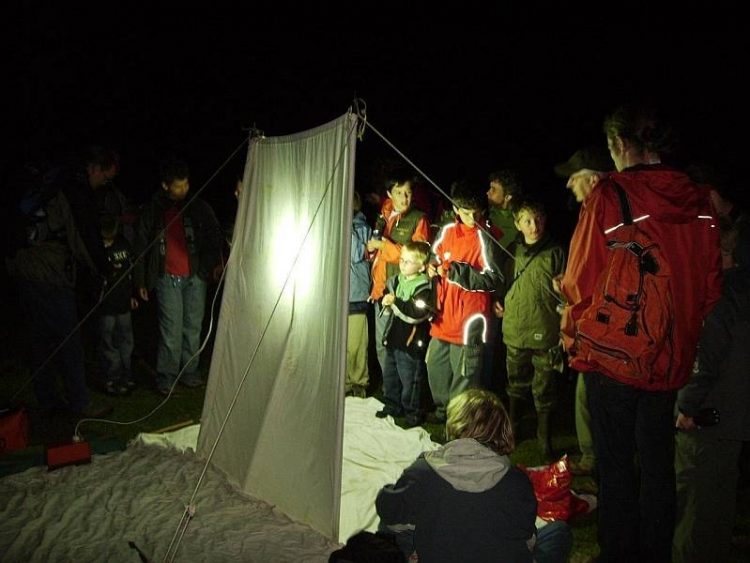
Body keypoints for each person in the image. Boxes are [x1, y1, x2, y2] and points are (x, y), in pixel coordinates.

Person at [559, 104, 722, 562]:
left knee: (615, 468)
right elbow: (710, 288)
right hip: (670, 360)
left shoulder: (611, 196)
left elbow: (579, 280)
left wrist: (575, 330)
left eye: (611, 147)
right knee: (657, 466)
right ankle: (655, 553)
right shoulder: (699, 202)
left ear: (621, 144)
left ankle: (618, 552)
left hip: (615, 357)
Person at [376, 388, 571, 563]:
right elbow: (527, 537)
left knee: (394, 522)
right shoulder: (516, 481)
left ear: (455, 425)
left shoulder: (423, 472)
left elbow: (388, 511)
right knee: (558, 532)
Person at [5, 162, 112, 417]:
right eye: (104, 179)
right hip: (50, 275)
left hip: (23, 271)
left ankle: (48, 399)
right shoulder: (67, 193)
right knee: (69, 340)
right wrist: (103, 269)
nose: (102, 185)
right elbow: (80, 238)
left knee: (40, 341)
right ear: (93, 169)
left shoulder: (36, 190)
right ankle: (80, 402)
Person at [672, 224, 750, 563]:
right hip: (735, 419)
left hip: (709, 417)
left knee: (695, 502)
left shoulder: (723, 297)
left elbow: (707, 358)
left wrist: (686, 405)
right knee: (720, 499)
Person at [134, 157, 223, 395]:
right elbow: (141, 245)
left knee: (193, 327)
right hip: (167, 278)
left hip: (195, 277)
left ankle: (190, 372)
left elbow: (214, 237)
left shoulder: (198, 206)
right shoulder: (153, 211)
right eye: (178, 185)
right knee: (171, 331)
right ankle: (167, 376)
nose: (183, 189)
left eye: (185, 184)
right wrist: (140, 280)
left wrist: (206, 269)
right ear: (165, 185)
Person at [552, 145, 614, 474]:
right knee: (587, 398)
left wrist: (566, 286)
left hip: (596, 324)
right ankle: (597, 461)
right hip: (602, 320)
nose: (567, 184)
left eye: (572, 177)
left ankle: (599, 468)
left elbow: (587, 271)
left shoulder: (598, 206)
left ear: (591, 179)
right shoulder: (603, 203)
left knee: (592, 399)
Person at [426, 181, 503, 422]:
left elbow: (494, 278)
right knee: (435, 367)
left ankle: (459, 421)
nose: (472, 217)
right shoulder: (448, 230)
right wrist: (431, 267)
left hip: (468, 321)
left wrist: (456, 271)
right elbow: (434, 255)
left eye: (476, 211)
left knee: (464, 375)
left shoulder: (485, 237)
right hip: (442, 316)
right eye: (466, 211)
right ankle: (442, 412)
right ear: (456, 209)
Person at [499, 197, 565, 460]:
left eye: (537, 219)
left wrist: (564, 325)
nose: (533, 225)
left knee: (545, 386)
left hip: (545, 330)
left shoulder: (556, 252)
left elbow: (566, 294)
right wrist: (497, 301)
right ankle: (513, 428)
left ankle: (543, 436)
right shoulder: (508, 251)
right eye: (527, 220)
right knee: (515, 384)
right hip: (515, 328)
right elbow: (499, 282)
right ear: (517, 223)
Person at [367, 170, 431, 377]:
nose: (404, 198)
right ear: (389, 194)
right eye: (399, 192)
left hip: (403, 294)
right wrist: (370, 250)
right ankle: (390, 394)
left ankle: (407, 401)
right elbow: (377, 254)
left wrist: (383, 245)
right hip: (381, 290)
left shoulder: (418, 219)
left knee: (403, 351)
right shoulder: (383, 215)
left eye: (408, 193)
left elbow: (417, 256)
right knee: (381, 344)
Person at [376, 241, 434, 427]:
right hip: (394, 338)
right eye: (401, 260)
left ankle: (413, 413)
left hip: (411, 342)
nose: (402, 264)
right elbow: (387, 301)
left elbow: (415, 314)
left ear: (422, 266)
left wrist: (395, 302)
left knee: (411, 380)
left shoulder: (424, 287)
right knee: (391, 375)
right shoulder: (397, 281)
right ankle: (392, 405)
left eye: (408, 262)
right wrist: (384, 301)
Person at [97, 214, 139, 396]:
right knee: (108, 341)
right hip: (106, 304)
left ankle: (126, 375)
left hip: (123, 303)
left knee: (126, 340)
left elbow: (130, 272)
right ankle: (111, 377)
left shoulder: (123, 244)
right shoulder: (96, 248)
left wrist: (133, 295)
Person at [347, 191, 372, 398]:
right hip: (341, 293)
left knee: (356, 343)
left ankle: (359, 381)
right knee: (344, 342)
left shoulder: (362, 227)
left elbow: (355, 253)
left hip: (356, 292)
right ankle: (345, 381)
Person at [487, 169, 523, 248]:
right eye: (490, 188)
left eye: (493, 190)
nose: (487, 192)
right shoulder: (486, 209)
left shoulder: (515, 225)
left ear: (507, 197)